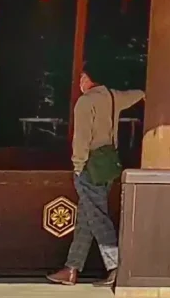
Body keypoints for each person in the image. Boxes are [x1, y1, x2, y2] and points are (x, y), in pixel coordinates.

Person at [52, 71, 143, 285]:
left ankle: (116, 266)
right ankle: (71, 267)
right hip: (107, 165)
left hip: (89, 166)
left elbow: (81, 137)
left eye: (82, 78)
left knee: (98, 218)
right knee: (87, 217)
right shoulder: (113, 96)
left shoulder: (85, 102)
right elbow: (137, 94)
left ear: (88, 79)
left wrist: (77, 165)